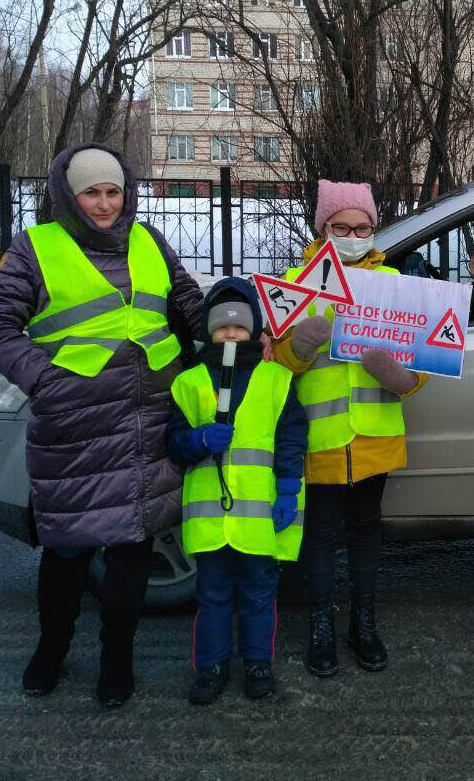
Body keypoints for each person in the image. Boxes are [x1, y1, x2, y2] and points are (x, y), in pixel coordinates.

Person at [0, 143, 204, 708]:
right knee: (68, 549)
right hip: (74, 426)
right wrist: (45, 381)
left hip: (149, 420)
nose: (104, 204)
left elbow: (190, 304)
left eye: (113, 191)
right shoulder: (37, 247)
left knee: (132, 548)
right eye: (91, 193)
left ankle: (116, 661)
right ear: (69, 196)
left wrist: (236, 325)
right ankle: (51, 649)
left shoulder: (149, 240)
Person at [271, 180, 427, 677]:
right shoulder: (295, 282)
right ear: (323, 229)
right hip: (318, 438)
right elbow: (277, 365)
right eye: (341, 227)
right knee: (318, 537)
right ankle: (321, 627)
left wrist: (399, 376)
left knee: (365, 533)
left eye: (362, 228)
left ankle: (364, 624)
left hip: (374, 437)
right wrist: (301, 345)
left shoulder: (398, 283)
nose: (353, 236)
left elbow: (423, 366)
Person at [167, 278, 308, 705]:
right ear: (209, 330)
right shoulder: (190, 382)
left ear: (254, 329)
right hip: (210, 519)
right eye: (222, 327)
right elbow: (174, 442)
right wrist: (198, 440)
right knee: (212, 596)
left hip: (259, 517)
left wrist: (288, 488)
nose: (231, 334)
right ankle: (210, 667)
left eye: (240, 326)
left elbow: (291, 438)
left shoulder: (276, 379)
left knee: (259, 594)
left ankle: (257, 663)